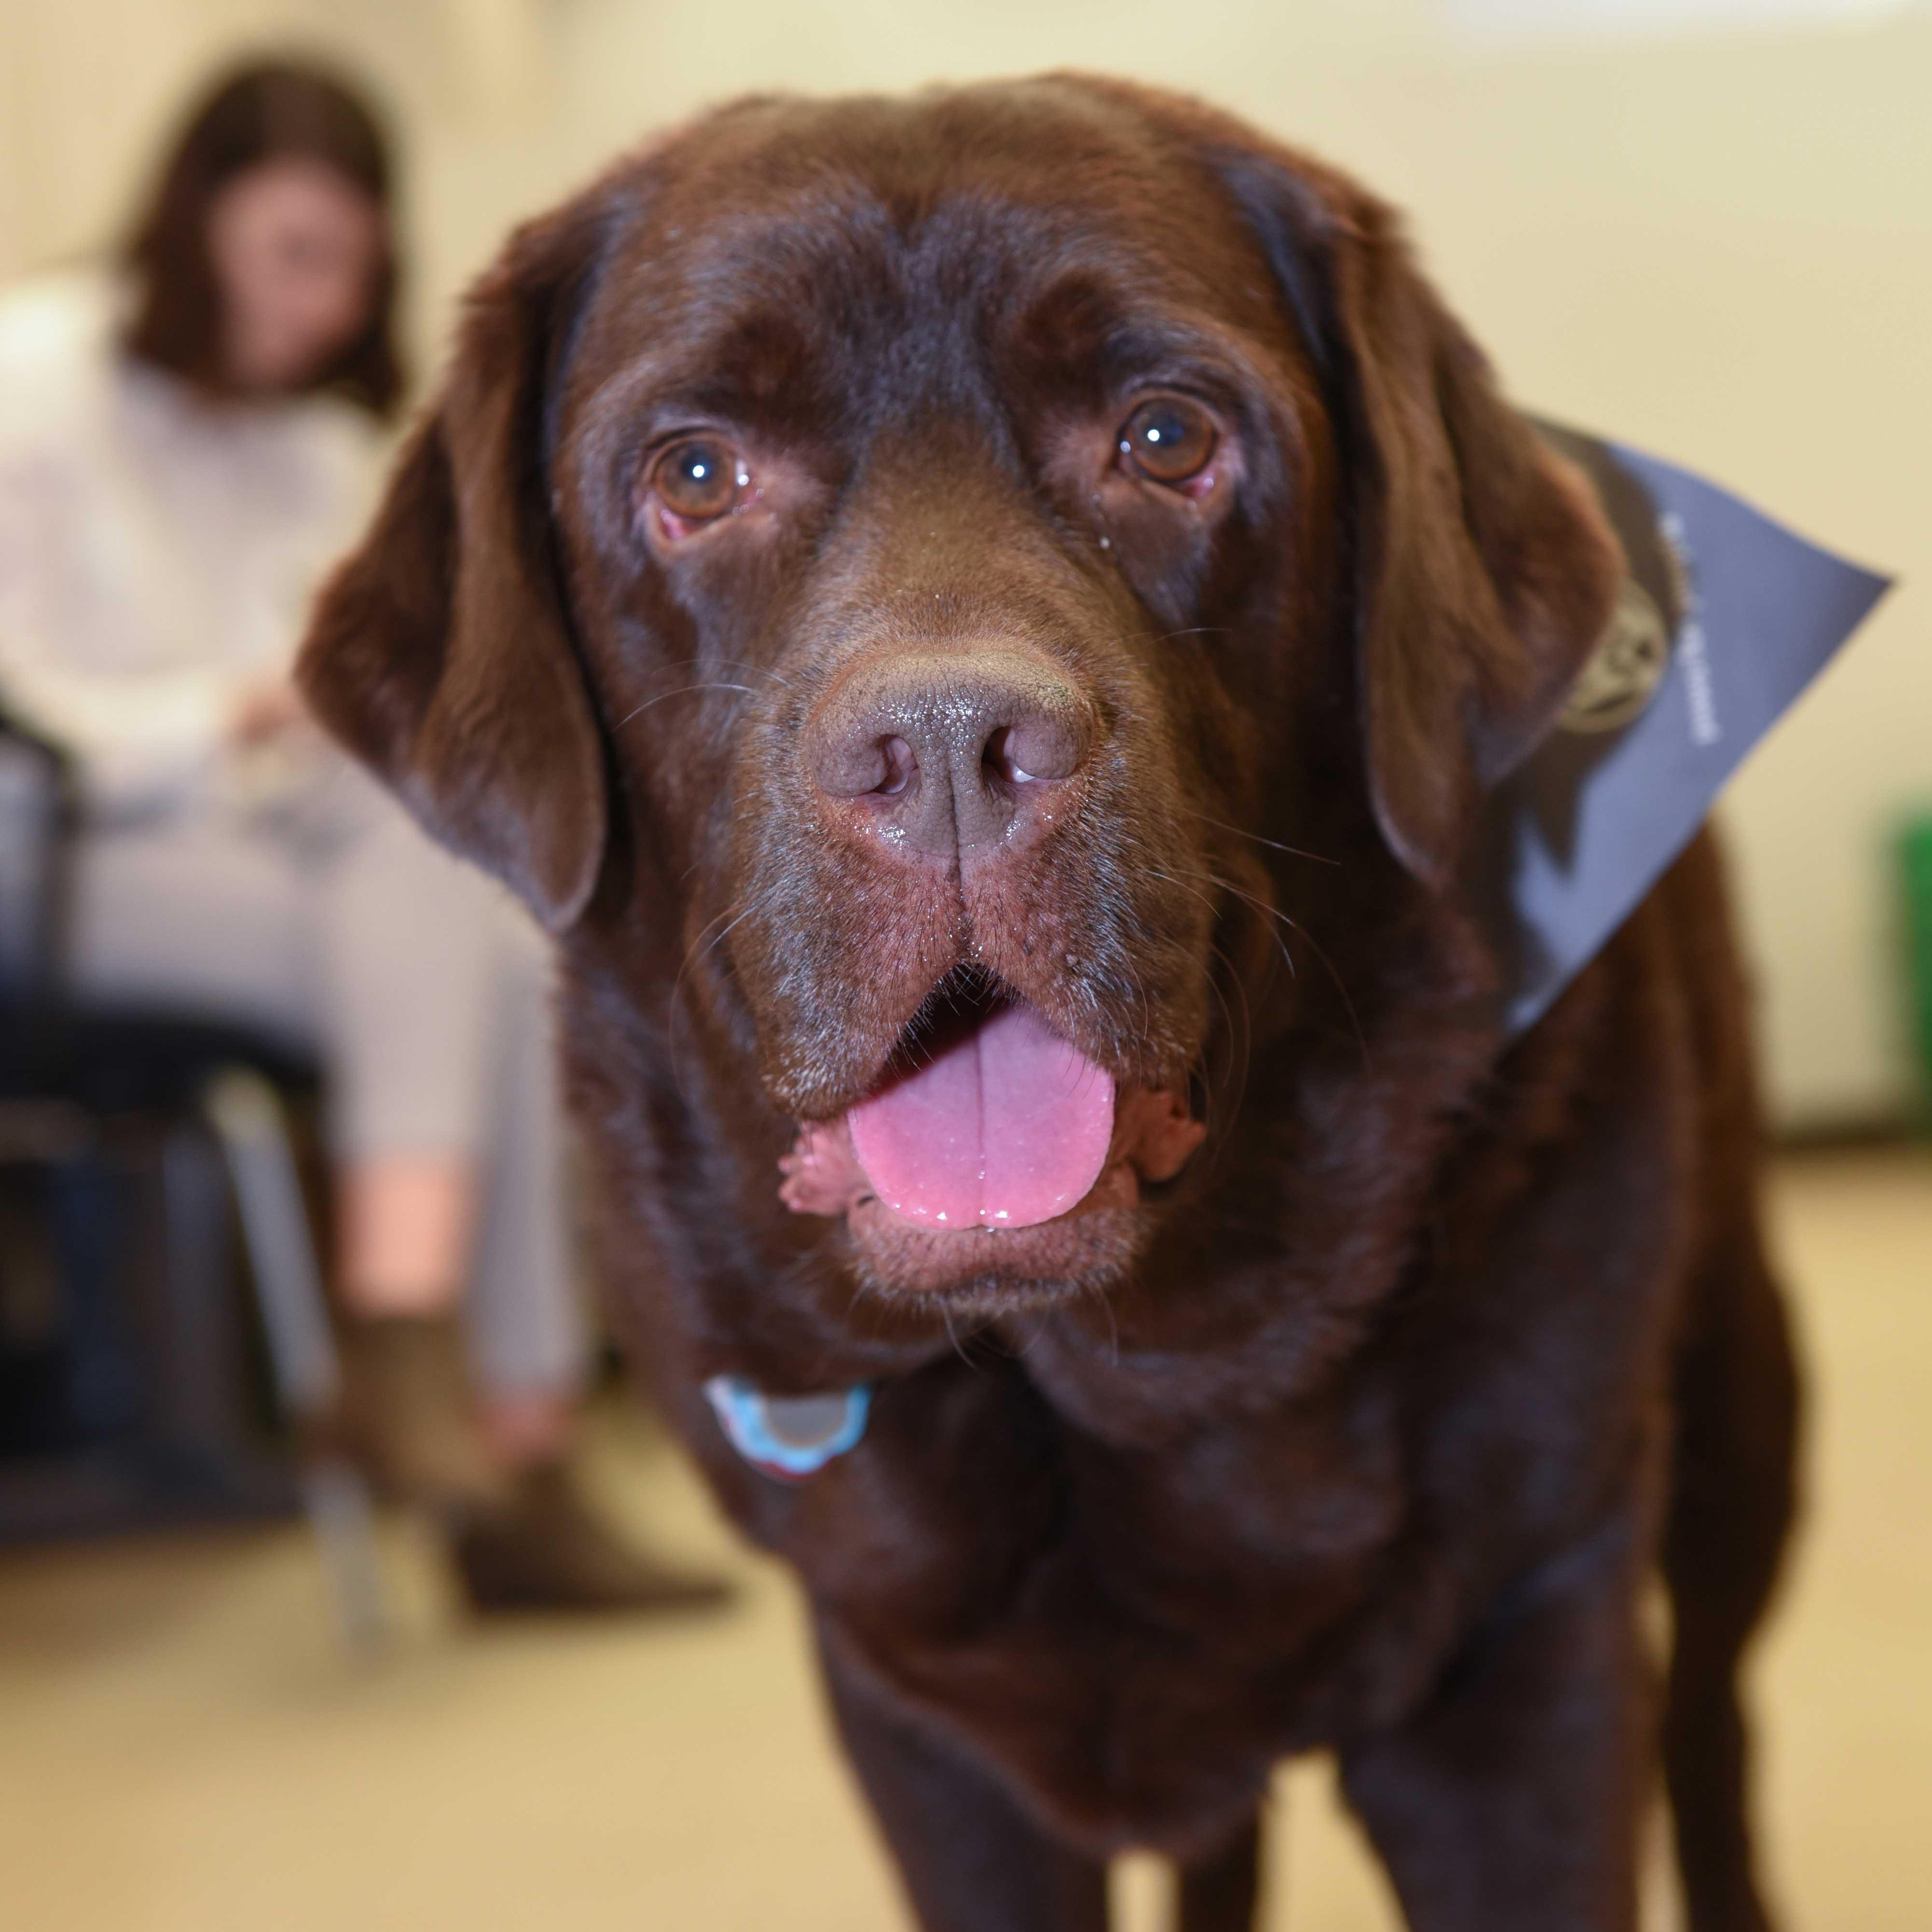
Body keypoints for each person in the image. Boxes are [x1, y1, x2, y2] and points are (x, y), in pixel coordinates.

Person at [0, 59, 726, 1615]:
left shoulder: (313, 448)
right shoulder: (32, 377)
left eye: (355, 266)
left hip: (278, 860)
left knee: (485, 920)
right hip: (51, 862)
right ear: (195, 225)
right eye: (292, 253)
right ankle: (505, 1453)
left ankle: (433, 1377)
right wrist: (233, 715)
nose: (330, 304)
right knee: (466, 937)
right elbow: (31, 711)